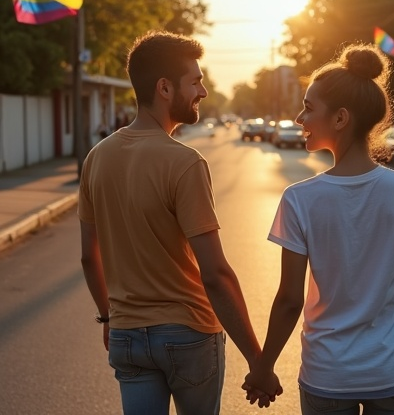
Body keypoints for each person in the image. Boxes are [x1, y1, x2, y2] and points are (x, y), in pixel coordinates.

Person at [78, 30, 280, 415]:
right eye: (196, 81)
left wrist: (108, 316)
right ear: (165, 88)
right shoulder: (184, 163)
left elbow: (90, 257)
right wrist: (258, 361)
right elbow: (215, 275)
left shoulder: (96, 158)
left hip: (127, 336)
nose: (203, 92)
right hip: (187, 334)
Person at [243, 43, 394, 414]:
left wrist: (263, 367)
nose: (299, 118)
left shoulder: (300, 199)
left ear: (340, 118)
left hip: (328, 376)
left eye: (308, 108)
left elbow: (289, 301)